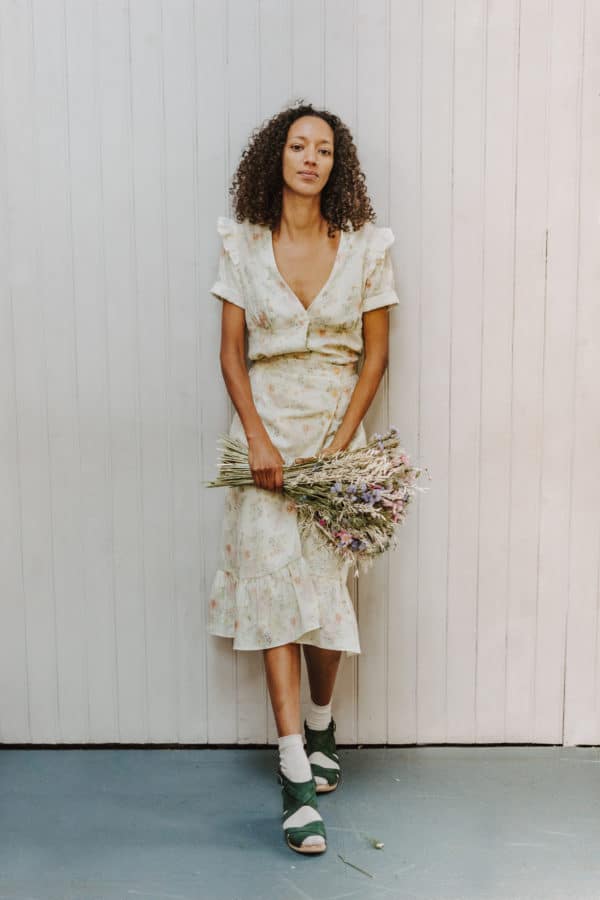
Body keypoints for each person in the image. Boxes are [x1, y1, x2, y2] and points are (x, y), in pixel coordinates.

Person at [207, 100, 400, 855]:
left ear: (335, 164)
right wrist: (258, 439)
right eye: (297, 146)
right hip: (263, 440)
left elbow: (375, 356)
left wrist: (340, 450)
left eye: (323, 148)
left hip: (334, 439)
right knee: (272, 598)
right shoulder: (243, 244)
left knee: (323, 596)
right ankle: (295, 775)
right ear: (277, 158)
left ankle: (321, 722)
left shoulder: (367, 247)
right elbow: (231, 354)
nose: (310, 158)